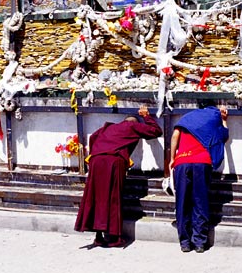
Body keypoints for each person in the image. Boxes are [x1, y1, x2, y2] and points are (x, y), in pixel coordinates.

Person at [74, 104, 162, 247]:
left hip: (96, 160)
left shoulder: (106, 128)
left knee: (96, 197)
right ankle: (115, 238)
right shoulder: (132, 126)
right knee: (114, 197)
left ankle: (98, 236)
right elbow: (156, 131)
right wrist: (146, 116)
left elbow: (93, 138)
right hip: (113, 161)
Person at [169, 99, 229, 253]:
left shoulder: (187, 118)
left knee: (182, 202)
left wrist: (172, 159)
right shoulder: (214, 116)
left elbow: (175, 136)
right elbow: (224, 135)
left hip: (182, 162)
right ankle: (200, 243)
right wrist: (224, 120)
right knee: (200, 201)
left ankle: (185, 243)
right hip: (202, 162)